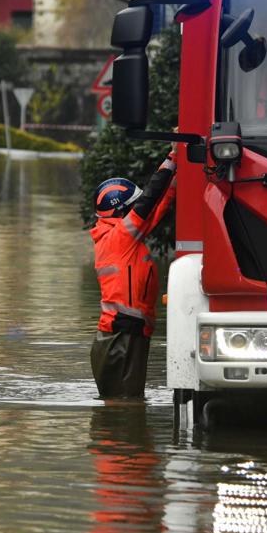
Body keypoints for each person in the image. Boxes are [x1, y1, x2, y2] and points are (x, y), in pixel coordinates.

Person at [90, 150, 177, 399]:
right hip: (120, 337)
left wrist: (180, 172)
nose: (134, 213)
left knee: (128, 407)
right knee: (123, 410)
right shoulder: (119, 237)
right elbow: (148, 201)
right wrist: (172, 159)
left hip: (127, 335)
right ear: (120, 212)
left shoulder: (123, 236)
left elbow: (157, 206)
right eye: (130, 209)